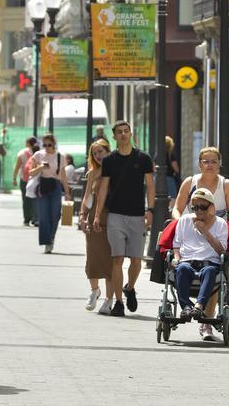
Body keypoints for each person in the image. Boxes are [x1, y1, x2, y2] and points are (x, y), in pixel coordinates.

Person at [172, 146, 229, 338]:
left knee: (213, 268)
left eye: (213, 161)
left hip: (217, 227)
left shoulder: (225, 185)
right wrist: (181, 223)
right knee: (176, 248)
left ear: (219, 164)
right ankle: (189, 307)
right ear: (199, 164)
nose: (209, 165)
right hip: (192, 224)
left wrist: (224, 227)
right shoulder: (190, 182)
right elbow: (177, 208)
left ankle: (206, 321)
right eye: (206, 161)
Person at [93, 120, 155, 317]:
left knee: (136, 261)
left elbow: (150, 185)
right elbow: (103, 187)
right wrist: (97, 214)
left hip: (137, 215)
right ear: (114, 136)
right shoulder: (110, 160)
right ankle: (119, 302)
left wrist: (150, 209)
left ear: (130, 134)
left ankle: (130, 287)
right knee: (117, 258)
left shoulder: (143, 158)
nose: (123, 135)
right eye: (119, 132)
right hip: (116, 215)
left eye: (126, 131)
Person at [172, 188, 227, 325]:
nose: (199, 211)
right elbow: (176, 246)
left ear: (212, 207)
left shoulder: (220, 223)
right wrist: (176, 259)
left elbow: (221, 250)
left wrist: (205, 232)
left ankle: (199, 306)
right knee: (182, 269)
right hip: (187, 261)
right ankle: (186, 307)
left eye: (203, 207)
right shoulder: (184, 220)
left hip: (209, 263)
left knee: (209, 271)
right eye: (195, 207)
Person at [79, 139, 114, 314]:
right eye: (95, 153)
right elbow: (87, 197)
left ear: (108, 151)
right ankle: (94, 291)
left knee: (110, 260)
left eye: (101, 151)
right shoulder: (92, 173)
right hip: (93, 218)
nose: (98, 156)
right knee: (92, 257)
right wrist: (82, 215)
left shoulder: (116, 171)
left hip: (112, 217)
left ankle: (109, 299)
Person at [30, 133, 72, 253]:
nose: (47, 147)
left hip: (56, 186)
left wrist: (67, 193)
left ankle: (51, 238)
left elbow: (63, 175)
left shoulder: (60, 156)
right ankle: (46, 242)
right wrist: (40, 167)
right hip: (43, 186)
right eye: (45, 144)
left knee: (55, 215)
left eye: (50, 144)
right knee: (43, 216)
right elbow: (31, 173)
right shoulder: (38, 155)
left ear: (54, 144)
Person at [13, 136, 38, 226]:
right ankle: (35, 218)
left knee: (25, 200)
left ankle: (27, 219)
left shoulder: (22, 153)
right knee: (35, 199)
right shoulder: (39, 152)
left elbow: (17, 166)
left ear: (28, 143)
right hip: (36, 179)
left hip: (24, 179)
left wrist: (14, 178)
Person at [164, 136, 180, 208]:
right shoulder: (171, 155)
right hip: (169, 178)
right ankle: (170, 214)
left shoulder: (157, 154)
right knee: (172, 198)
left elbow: (154, 167)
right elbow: (176, 169)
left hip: (158, 180)